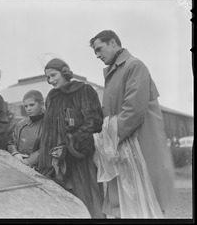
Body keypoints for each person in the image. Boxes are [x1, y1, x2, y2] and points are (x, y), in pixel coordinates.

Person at [89, 30, 175, 215]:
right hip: (123, 147)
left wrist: (108, 139)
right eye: (95, 52)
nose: (97, 55)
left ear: (113, 42)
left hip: (138, 145)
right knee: (126, 205)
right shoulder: (115, 72)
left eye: (99, 49)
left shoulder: (134, 66)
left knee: (144, 205)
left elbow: (133, 111)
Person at [37, 58, 105, 218]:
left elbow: (94, 122)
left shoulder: (84, 90)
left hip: (79, 160)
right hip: (55, 163)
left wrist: (68, 146)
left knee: (88, 205)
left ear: (65, 71)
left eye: (53, 75)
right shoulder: (52, 97)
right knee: (62, 208)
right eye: (48, 78)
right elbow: (48, 131)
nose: (51, 81)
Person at [6, 90, 45, 169]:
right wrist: (15, 153)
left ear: (42, 104)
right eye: (26, 106)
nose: (28, 109)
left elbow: (49, 147)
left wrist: (29, 161)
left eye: (32, 105)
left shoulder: (50, 124)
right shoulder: (21, 124)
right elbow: (11, 142)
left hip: (41, 168)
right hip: (20, 164)